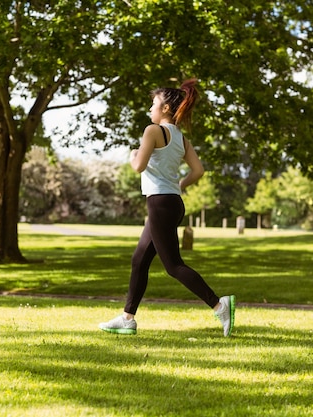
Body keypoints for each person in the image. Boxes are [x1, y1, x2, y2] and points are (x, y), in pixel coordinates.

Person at [99, 79, 236, 337]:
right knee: (139, 259)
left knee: (173, 265)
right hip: (172, 202)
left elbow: (139, 166)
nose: (150, 108)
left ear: (164, 109)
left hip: (160, 203)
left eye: (153, 104)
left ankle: (219, 305)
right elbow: (198, 171)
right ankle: (127, 318)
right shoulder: (181, 138)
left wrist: (131, 157)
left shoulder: (152, 131)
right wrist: (179, 185)